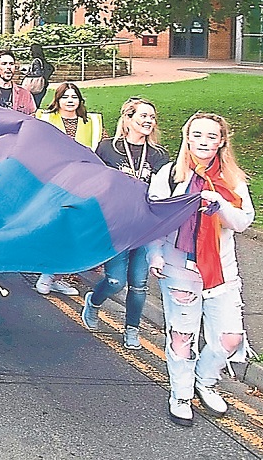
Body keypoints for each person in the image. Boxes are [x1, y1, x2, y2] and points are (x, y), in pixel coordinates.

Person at [148, 112, 254, 426]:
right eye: (197, 135)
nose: (203, 142)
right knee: (182, 336)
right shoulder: (171, 174)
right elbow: (154, 217)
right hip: (179, 266)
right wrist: (154, 254)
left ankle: (205, 381)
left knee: (231, 337)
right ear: (187, 138)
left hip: (221, 270)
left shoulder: (232, 180)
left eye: (211, 136)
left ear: (222, 141)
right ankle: (180, 394)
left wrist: (220, 203)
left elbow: (243, 223)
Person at [82, 96, 170, 348]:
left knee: (139, 284)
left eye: (152, 117)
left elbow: (166, 188)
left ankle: (132, 329)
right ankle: (94, 301)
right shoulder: (108, 148)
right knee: (115, 281)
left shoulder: (158, 154)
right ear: (128, 118)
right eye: (143, 116)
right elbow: (95, 182)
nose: (149, 121)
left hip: (145, 226)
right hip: (116, 225)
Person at [31, 82, 104, 296]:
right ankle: (47, 273)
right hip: (54, 182)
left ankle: (58, 276)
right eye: (65, 97)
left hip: (82, 183)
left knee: (74, 231)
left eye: (74, 96)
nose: (70, 100)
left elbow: (99, 152)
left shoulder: (92, 122)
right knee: (55, 227)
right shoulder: (45, 119)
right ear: (58, 100)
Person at [23, 44, 54, 108]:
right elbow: (51, 68)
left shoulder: (36, 61)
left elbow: (37, 73)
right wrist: (45, 78)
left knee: (33, 104)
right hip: (42, 86)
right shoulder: (43, 61)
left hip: (35, 86)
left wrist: (27, 73)